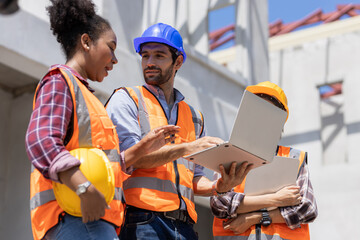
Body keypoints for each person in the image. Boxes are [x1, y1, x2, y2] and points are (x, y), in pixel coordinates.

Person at [25, 2, 179, 240]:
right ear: (86, 42)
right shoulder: (60, 81)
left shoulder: (89, 97)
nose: (115, 59)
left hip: (93, 221)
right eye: (111, 47)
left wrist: (142, 148)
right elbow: (41, 139)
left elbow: (103, 164)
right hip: (75, 218)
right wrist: (83, 188)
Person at [105, 22, 253, 240]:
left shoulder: (194, 118)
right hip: (142, 220)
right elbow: (129, 159)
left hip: (184, 226)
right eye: (145, 56)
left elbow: (194, 180)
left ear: (178, 61)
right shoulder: (127, 99)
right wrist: (188, 147)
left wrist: (218, 186)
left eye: (159, 56)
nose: (150, 62)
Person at [211, 81, 318, 240]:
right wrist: (277, 200)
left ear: (280, 120)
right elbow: (220, 205)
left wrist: (254, 217)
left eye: (270, 112)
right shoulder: (228, 154)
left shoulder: (294, 157)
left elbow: (307, 209)